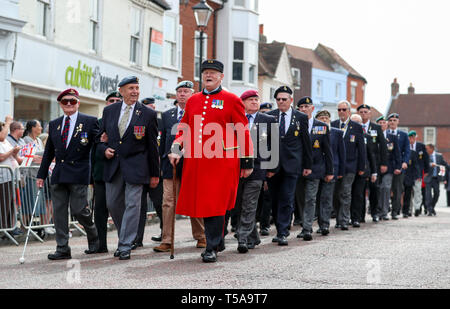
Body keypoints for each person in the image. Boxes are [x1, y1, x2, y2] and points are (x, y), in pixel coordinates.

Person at [169, 60, 254, 263]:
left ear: (221, 77)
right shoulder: (193, 100)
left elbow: (242, 130)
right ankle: (217, 239)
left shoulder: (232, 99)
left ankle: (211, 246)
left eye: (213, 73)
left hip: (222, 162)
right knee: (204, 204)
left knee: (215, 203)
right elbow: (183, 128)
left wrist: (247, 161)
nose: (209, 75)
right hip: (197, 162)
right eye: (206, 72)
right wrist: (175, 148)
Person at [96, 76, 160, 260]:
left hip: (137, 167)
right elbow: (98, 139)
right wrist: (104, 150)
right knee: (113, 204)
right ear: (121, 91)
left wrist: (155, 174)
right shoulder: (109, 111)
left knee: (133, 205)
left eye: (137, 88)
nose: (135, 91)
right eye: (131, 88)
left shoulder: (147, 114)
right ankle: (125, 235)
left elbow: (152, 146)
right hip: (113, 165)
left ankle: (125, 245)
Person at [36, 88, 100, 260]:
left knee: (79, 210)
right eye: (65, 102)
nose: (69, 104)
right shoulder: (55, 124)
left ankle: (94, 236)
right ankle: (62, 248)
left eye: (72, 101)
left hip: (79, 172)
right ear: (61, 104)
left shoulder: (89, 121)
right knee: (59, 213)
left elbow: (98, 143)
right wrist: (41, 175)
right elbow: (49, 151)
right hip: (59, 173)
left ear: (78, 103)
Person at [153, 80, 206, 253]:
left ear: (193, 94)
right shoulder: (167, 115)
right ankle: (167, 239)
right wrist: (161, 162)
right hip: (170, 165)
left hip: (192, 164)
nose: (182, 94)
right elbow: (163, 142)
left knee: (194, 200)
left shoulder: (199, 113)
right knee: (168, 203)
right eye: (180, 91)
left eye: (186, 91)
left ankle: (201, 236)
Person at [267, 86, 312, 246]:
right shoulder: (269, 116)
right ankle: (280, 227)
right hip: (273, 166)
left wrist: (308, 164)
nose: (280, 102)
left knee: (286, 197)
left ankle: (282, 232)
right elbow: (265, 143)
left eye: (284, 99)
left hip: (292, 165)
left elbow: (306, 142)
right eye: (278, 99)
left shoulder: (300, 117)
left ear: (291, 100)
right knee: (275, 199)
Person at [234, 89, 276, 253]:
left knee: (250, 205)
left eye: (256, 99)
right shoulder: (236, 118)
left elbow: (274, 146)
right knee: (238, 205)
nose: (254, 102)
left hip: (258, 169)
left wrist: (271, 168)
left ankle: (242, 238)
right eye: (250, 99)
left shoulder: (268, 119)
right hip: (237, 168)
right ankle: (253, 236)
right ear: (243, 103)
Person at [295, 97, 333, 241]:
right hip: (297, 168)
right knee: (300, 199)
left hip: (316, 168)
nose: (304, 109)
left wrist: (330, 171)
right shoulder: (295, 124)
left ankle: (307, 228)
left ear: (312, 108)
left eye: (306, 106)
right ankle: (305, 224)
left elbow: (327, 150)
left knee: (311, 198)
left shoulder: (321, 126)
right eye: (301, 107)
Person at [91, 90, 122, 253]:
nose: (115, 102)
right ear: (106, 104)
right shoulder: (98, 122)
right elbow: (94, 148)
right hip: (102, 172)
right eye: (111, 100)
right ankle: (101, 244)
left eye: (118, 100)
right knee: (101, 210)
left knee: (120, 209)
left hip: (121, 172)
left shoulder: (127, 120)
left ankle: (124, 243)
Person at [134, 97, 164, 249]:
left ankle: (165, 232)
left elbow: (167, 144)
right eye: (148, 107)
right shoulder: (137, 120)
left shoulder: (162, 121)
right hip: (140, 169)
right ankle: (137, 238)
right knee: (140, 206)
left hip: (157, 169)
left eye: (153, 107)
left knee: (160, 203)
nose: (151, 110)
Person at [331, 101, 365, 230]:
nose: (341, 112)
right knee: (335, 193)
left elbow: (361, 148)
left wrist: (361, 167)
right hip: (335, 166)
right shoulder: (333, 125)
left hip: (350, 166)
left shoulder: (356, 127)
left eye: (344, 109)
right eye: (339, 109)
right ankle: (338, 219)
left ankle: (344, 220)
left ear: (349, 111)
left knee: (345, 193)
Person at [315, 110, 345, 235]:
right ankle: (320, 222)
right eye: (321, 118)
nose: (324, 120)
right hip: (316, 169)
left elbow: (341, 153)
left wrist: (341, 171)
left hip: (331, 169)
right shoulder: (314, 131)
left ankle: (325, 225)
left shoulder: (337, 133)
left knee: (327, 198)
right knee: (316, 198)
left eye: (326, 118)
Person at [357, 104, 388, 222]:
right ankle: (360, 215)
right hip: (361, 163)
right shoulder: (356, 127)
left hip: (374, 163)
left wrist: (384, 163)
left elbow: (383, 147)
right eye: (361, 112)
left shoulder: (376, 128)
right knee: (360, 190)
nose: (363, 114)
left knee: (374, 189)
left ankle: (375, 212)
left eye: (366, 112)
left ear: (370, 114)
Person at [349, 114, 377, 226]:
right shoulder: (347, 135)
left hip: (362, 170)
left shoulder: (367, 137)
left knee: (358, 194)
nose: (356, 124)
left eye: (358, 122)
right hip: (349, 169)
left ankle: (357, 217)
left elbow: (371, 156)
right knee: (347, 194)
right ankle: (347, 217)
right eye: (353, 122)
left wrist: (373, 172)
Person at [376, 116, 401, 220]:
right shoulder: (373, 136)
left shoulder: (392, 137)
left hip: (389, 167)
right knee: (376, 189)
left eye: (383, 122)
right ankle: (376, 211)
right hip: (376, 167)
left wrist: (398, 166)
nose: (382, 124)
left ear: (387, 125)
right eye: (379, 123)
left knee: (385, 188)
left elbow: (397, 153)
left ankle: (384, 211)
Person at [387, 113, 410, 219]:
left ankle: (395, 211)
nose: (392, 122)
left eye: (394, 120)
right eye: (390, 120)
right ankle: (384, 209)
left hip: (399, 166)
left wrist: (405, 162)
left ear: (398, 122)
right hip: (387, 165)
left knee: (397, 189)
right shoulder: (385, 133)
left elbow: (407, 150)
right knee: (386, 188)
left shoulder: (404, 135)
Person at [0, 116, 22, 230]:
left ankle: (11, 227)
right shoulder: (1, 139)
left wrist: (15, 153)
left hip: (13, 176)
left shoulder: (6, 142)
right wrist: (8, 122)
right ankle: (4, 228)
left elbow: (14, 156)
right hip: (4, 178)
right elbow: (1, 157)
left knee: (14, 204)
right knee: (5, 204)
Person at [404, 131, 429, 217]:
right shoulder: (406, 146)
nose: (411, 139)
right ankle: (409, 209)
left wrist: (426, 171)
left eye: (413, 137)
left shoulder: (421, 146)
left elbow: (426, 159)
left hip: (418, 172)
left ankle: (417, 208)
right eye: (410, 137)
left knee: (418, 191)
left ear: (415, 137)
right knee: (408, 192)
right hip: (408, 172)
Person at [424, 144, 447, 216]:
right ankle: (429, 210)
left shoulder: (439, 156)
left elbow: (444, 164)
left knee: (437, 193)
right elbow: (423, 164)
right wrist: (430, 164)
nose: (426, 150)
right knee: (428, 195)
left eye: (427, 148)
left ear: (432, 148)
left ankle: (432, 207)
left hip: (436, 178)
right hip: (428, 178)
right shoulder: (425, 156)